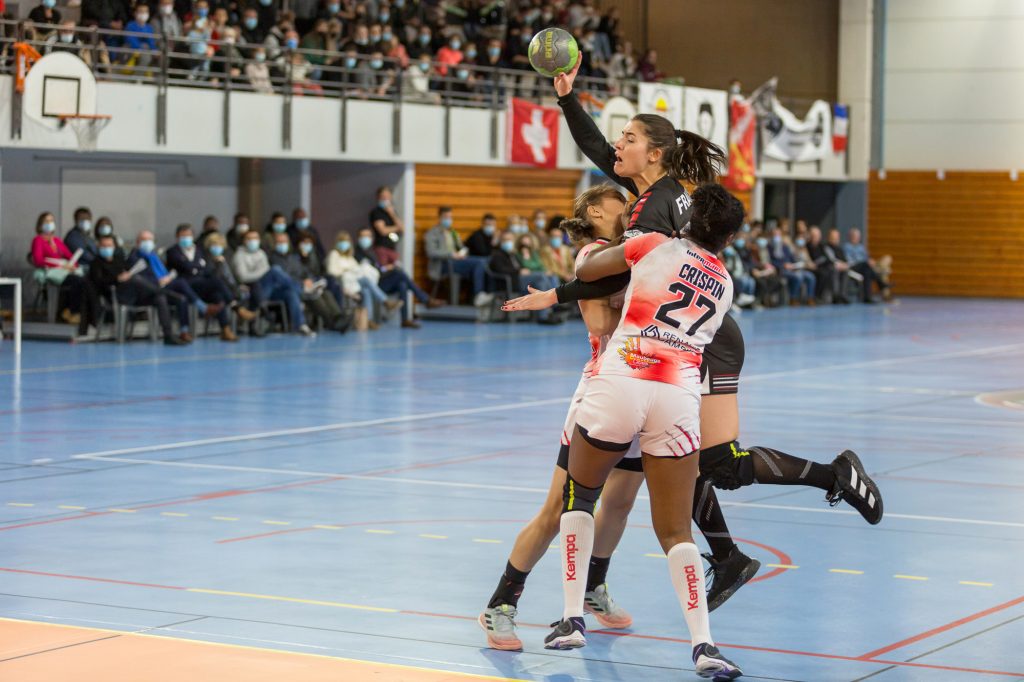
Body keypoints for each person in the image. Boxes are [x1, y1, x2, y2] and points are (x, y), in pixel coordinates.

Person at [542, 184, 741, 679]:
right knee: (675, 531)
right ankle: (704, 645)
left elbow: (590, 271)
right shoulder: (724, 282)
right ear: (729, 237)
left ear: (688, 217)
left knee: (580, 495)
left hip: (623, 378)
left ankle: (572, 618)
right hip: (677, 395)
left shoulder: (653, 243)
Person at [89, 235, 188, 345]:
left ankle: (168, 335)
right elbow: (98, 282)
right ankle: (167, 293)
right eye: (104, 246)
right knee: (136, 279)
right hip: (116, 296)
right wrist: (117, 279)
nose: (107, 248)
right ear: (99, 247)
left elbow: (128, 271)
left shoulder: (119, 260)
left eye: (109, 245)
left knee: (160, 298)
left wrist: (127, 274)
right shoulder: (95, 263)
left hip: (134, 294)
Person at [165, 223, 255, 340]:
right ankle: (236, 307)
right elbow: (187, 267)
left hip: (201, 284)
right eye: (183, 236)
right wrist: (197, 267)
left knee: (217, 295)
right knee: (216, 281)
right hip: (185, 285)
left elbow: (204, 269)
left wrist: (196, 267)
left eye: (189, 235)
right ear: (177, 237)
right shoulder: (172, 251)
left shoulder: (199, 249)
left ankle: (225, 329)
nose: (186, 238)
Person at [128, 230, 216, 344]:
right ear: (137, 242)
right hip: (145, 292)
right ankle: (202, 307)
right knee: (180, 283)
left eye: (150, 240)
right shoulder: (134, 257)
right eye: (145, 240)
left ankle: (182, 332)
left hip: (160, 290)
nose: (148, 242)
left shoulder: (154, 256)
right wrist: (159, 281)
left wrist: (167, 278)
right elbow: (140, 278)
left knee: (181, 298)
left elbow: (163, 272)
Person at [232, 230, 317, 336]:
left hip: (270, 289)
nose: (253, 241)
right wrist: (263, 272)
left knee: (290, 293)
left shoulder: (261, 253)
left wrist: (264, 272)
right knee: (275, 270)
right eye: (250, 238)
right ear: (244, 241)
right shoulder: (239, 255)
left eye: (256, 238)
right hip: (254, 290)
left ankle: (300, 325)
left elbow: (266, 271)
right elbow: (243, 276)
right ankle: (302, 289)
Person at [354, 227, 441, 328]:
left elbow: (377, 269)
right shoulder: (356, 253)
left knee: (402, 284)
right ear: (358, 237)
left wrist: (386, 268)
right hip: (370, 283)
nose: (366, 239)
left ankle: (405, 320)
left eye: (368, 236)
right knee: (399, 274)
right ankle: (425, 299)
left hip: (379, 278)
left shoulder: (372, 252)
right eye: (363, 236)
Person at [30, 211, 100, 335]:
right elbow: (38, 260)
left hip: (65, 271)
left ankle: (90, 317)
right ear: (40, 224)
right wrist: (61, 265)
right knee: (79, 281)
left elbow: (70, 256)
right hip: (53, 273)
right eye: (47, 221)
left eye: (51, 221)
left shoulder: (57, 241)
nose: (50, 223)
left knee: (88, 282)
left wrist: (72, 265)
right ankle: (73, 311)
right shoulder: (38, 240)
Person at [269, 232, 345, 331]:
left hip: (304, 286)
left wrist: (309, 280)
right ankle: (332, 323)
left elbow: (304, 271)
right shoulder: (273, 259)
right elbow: (284, 278)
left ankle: (339, 317)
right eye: (279, 242)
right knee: (314, 296)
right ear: (274, 244)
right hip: (287, 289)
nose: (282, 244)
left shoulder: (293, 257)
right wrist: (301, 283)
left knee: (326, 293)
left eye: (284, 241)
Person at [324, 230, 397, 330]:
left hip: (354, 282)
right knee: (366, 281)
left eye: (346, 241)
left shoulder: (349, 257)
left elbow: (357, 268)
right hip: (342, 283)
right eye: (342, 241)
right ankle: (385, 301)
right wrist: (346, 270)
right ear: (337, 242)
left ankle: (368, 320)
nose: (344, 244)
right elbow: (331, 271)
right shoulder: (334, 254)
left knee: (366, 290)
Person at [487, 230, 559, 325]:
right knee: (541, 276)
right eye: (505, 240)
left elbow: (523, 265)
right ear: (501, 242)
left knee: (541, 283)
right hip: (511, 282)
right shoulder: (497, 254)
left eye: (510, 240)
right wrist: (518, 271)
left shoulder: (512, 254)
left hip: (521, 279)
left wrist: (523, 268)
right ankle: (554, 303)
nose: (508, 242)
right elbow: (500, 269)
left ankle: (543, 317)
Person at [424, 206, 489, 302]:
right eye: (446, 217)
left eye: (450, 217)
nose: (448, 220)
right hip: (443, 265)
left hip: (457, 262)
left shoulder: (453, 233)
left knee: (485, 262)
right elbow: (431, 252)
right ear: (439, 217)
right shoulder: (432, 233)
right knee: (479, 262)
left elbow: (461, 247)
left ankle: (481, 296)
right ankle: (478, 296)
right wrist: (451, 254)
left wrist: (463, 252)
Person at [768, 227, 815, 306]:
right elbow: (770, 261)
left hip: (792, 268)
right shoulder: (769, 247)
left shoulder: (785, 247)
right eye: (775, 235)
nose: (777, 237)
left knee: (811, 277)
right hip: (781, 270)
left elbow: (792, 258)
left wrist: (795, 264)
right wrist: (782, 265)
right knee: (798, 277)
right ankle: (793, 298)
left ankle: (810, 298)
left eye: (778, 235)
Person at [844, 228, 891, 302]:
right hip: (854, 267)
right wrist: (866, 262)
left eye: (857, 237)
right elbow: (849, 260)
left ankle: (868, 298)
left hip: (865, 267)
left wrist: (871, 261)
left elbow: (867, 257)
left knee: (868, 271)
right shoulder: (847, 247)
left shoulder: (861, 247)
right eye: (854, 236)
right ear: (850, 237)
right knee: (867, 266)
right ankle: (881, 283)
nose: (856, 238)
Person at [368, 186, 403, 251]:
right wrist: (398, 227)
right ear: (378, 197)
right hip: (382, 247)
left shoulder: (392, 212)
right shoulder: (377, 212)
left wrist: (392, 214)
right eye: (383, 196)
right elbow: (383, 231)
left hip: (392, 247)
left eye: (387, 196)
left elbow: (402, 228)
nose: (385, 198)